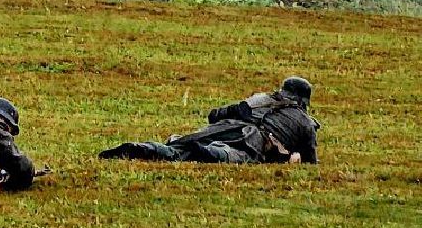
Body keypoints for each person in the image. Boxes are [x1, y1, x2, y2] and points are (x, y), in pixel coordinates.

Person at [100, 77, 319, 164]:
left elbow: (216, 115)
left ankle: (147, 148)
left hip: (225, 127)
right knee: (229, 155)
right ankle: (206, 151)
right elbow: (311, 164)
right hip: (253, 142)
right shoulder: (306, 123)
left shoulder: (261, 99)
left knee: (178, 149)